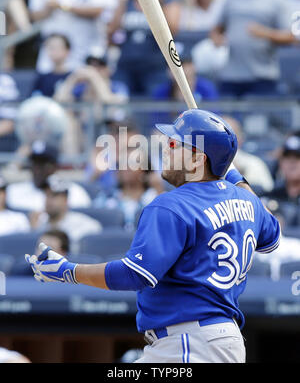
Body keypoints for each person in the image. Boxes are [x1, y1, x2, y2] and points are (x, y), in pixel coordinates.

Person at [25, 108, 280, 363]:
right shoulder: (248, 201)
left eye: (174, 144)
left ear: (197, 160)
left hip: (189, 343)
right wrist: (235, 176)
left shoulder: (171, 205)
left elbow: (134, 274)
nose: (165, 150)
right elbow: (272, 236)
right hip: (219, 340)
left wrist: (68, 271)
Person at [211, 0, 296, 98]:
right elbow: (217, 28)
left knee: (257, 120)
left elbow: (291, 36)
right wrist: (216, 38)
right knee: (226, 119)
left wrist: (265, 33)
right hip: (230, 74)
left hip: (262, 74)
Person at [108, 0, 178, 96]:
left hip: (155, 65)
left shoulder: (167, 0)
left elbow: (173, 30)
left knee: (153, 106)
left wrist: (158, 1)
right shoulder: (128, 0)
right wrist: (121, 1)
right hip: (126, 63)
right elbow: (112, 29)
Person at [6, 140, 92, 211]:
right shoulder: (14, 191)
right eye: (35, 164)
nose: (38, 169)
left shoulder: (75, 193)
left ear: (55, 167)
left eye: (43, 164)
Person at [32, 174, 102, 254]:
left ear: (65, 199)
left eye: (54, 195)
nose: (49, 200)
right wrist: (34, 231)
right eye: (46, 195)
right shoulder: (40, 224)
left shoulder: (83, 223)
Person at [222, 115, 274, 193]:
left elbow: (265, 195)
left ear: (240, 139)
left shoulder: (254, 163)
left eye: (229, 135)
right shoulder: (204, 161)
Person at [261, 131, 300, 227]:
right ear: (280, 163)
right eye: (287, 157)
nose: (292, 162)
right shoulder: (271, 196)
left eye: (297, 157)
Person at [31, 33, 72, 98]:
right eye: (50, 47)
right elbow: (33, 99)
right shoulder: (42, 78)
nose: (54, 51)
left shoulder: (74, 76)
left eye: (58, 47)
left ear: (67, 51)